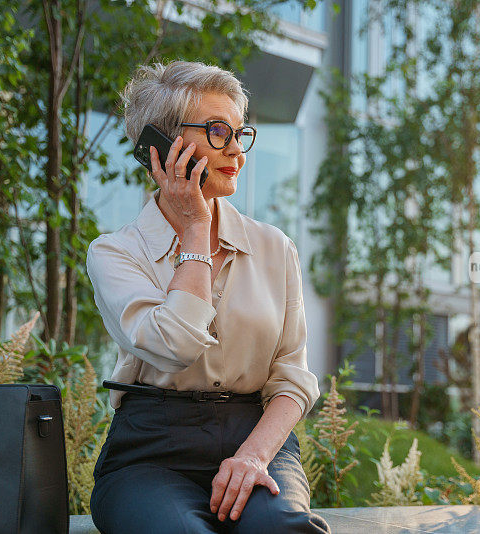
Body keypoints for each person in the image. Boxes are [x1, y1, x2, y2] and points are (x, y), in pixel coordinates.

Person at [86, 60, 331, 534]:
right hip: (151, 452)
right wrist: (196, 230)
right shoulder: (115, 253)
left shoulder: (275, 248)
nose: (237, 151)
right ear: (162, 144)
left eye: (241, 134)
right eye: (219, 132)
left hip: (255, 437)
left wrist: (254, 457)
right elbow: (173, 346)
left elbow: (294, 379)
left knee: (281, 530)